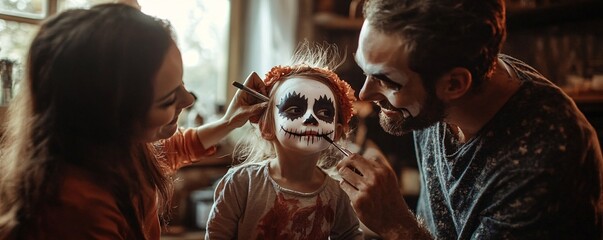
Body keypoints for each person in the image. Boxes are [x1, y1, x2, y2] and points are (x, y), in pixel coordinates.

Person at [335, 0, 603, 239]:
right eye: (365, 69)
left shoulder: (543, 161)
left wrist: (396, 227)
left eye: (386, 80)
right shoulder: (441, 81)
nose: (365, 94)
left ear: (455, 84)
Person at [0, 4, 266, 239]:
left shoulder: (120, 149)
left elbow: (175, 148)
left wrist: (229, 121)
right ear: (107, 117)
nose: (188, 100)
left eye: (182, 84)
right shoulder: (76, 209)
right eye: (167, 99)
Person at [205, 44, 363, 239]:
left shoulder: (337, 195)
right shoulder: (241, 184)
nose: (311, 118)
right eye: (295, 110)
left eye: (324, 112)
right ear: (267, 127)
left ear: (337, 132)